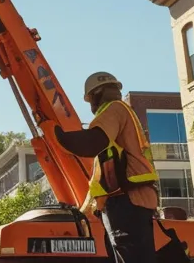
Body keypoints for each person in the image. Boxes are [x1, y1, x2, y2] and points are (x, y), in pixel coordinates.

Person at [57, 71, 159, 263]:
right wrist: (86, 209)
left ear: (97, 94)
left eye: (90, 100)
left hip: (127, 199)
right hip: (130, 199)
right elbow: (99, 178)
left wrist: (58, 136)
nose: (92, 106)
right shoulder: (123, 115)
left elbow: (91, 143)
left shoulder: (114, 109)